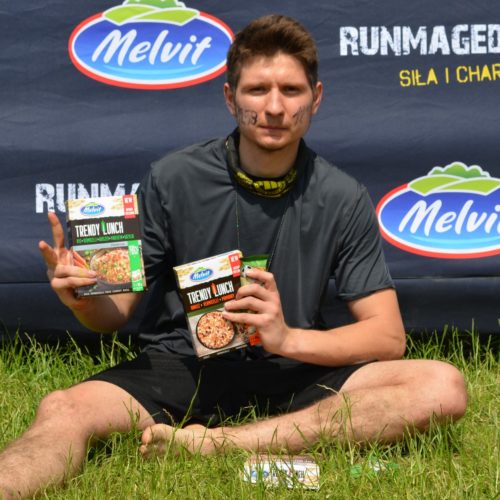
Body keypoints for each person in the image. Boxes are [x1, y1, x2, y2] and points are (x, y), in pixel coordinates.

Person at [0, 14, 467, 498]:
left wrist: (288, 338)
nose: (274, 107)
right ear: (230, 98)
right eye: (256, 90)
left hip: (295, 371)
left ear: (316, 98)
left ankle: (218, 445)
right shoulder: (172, 178)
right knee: (63, 408)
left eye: (291, 90)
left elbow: (387, 336)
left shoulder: (343, 196)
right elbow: (113, 315)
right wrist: (82, 299)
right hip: (183, 366)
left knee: (442, 386)